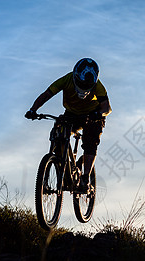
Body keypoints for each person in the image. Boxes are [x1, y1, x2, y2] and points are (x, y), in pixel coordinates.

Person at [25, 58, 112, 192]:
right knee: (58, 131)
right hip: (72, 113)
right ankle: (58, 163)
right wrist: (33, 110)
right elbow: (47, 95)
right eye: (81, 84)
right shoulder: (66, 80)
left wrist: (98, 114)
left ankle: (85, 178)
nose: (83, 88)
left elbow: (107, 108)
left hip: (93, 115)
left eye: (87, 86)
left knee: (90, 142)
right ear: (76, 76)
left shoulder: (98, 86)